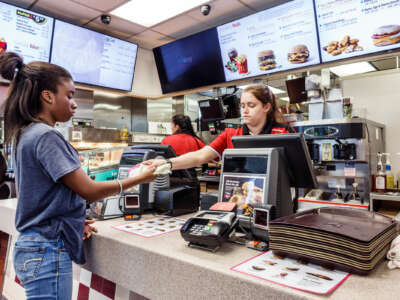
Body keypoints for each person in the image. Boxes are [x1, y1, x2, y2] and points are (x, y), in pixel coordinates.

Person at [0, 52, 156, 300]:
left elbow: (45, 194)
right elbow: (89, 189)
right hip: (47, 249)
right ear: (48, 96)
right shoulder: (46, 136)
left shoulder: (26, 133)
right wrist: (139, 178)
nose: (74, 103)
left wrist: (71, 222)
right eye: (69, 95)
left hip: (35, 246)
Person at [144, 84, 294, 171]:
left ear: (266, 107)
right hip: (239, 197)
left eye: (251, 105)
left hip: (275, 201)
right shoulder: (231, 134)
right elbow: (199, 156)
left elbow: (297, 171)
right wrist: (166, 163)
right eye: (242, 106)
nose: (245, 110)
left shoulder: (283, 132)